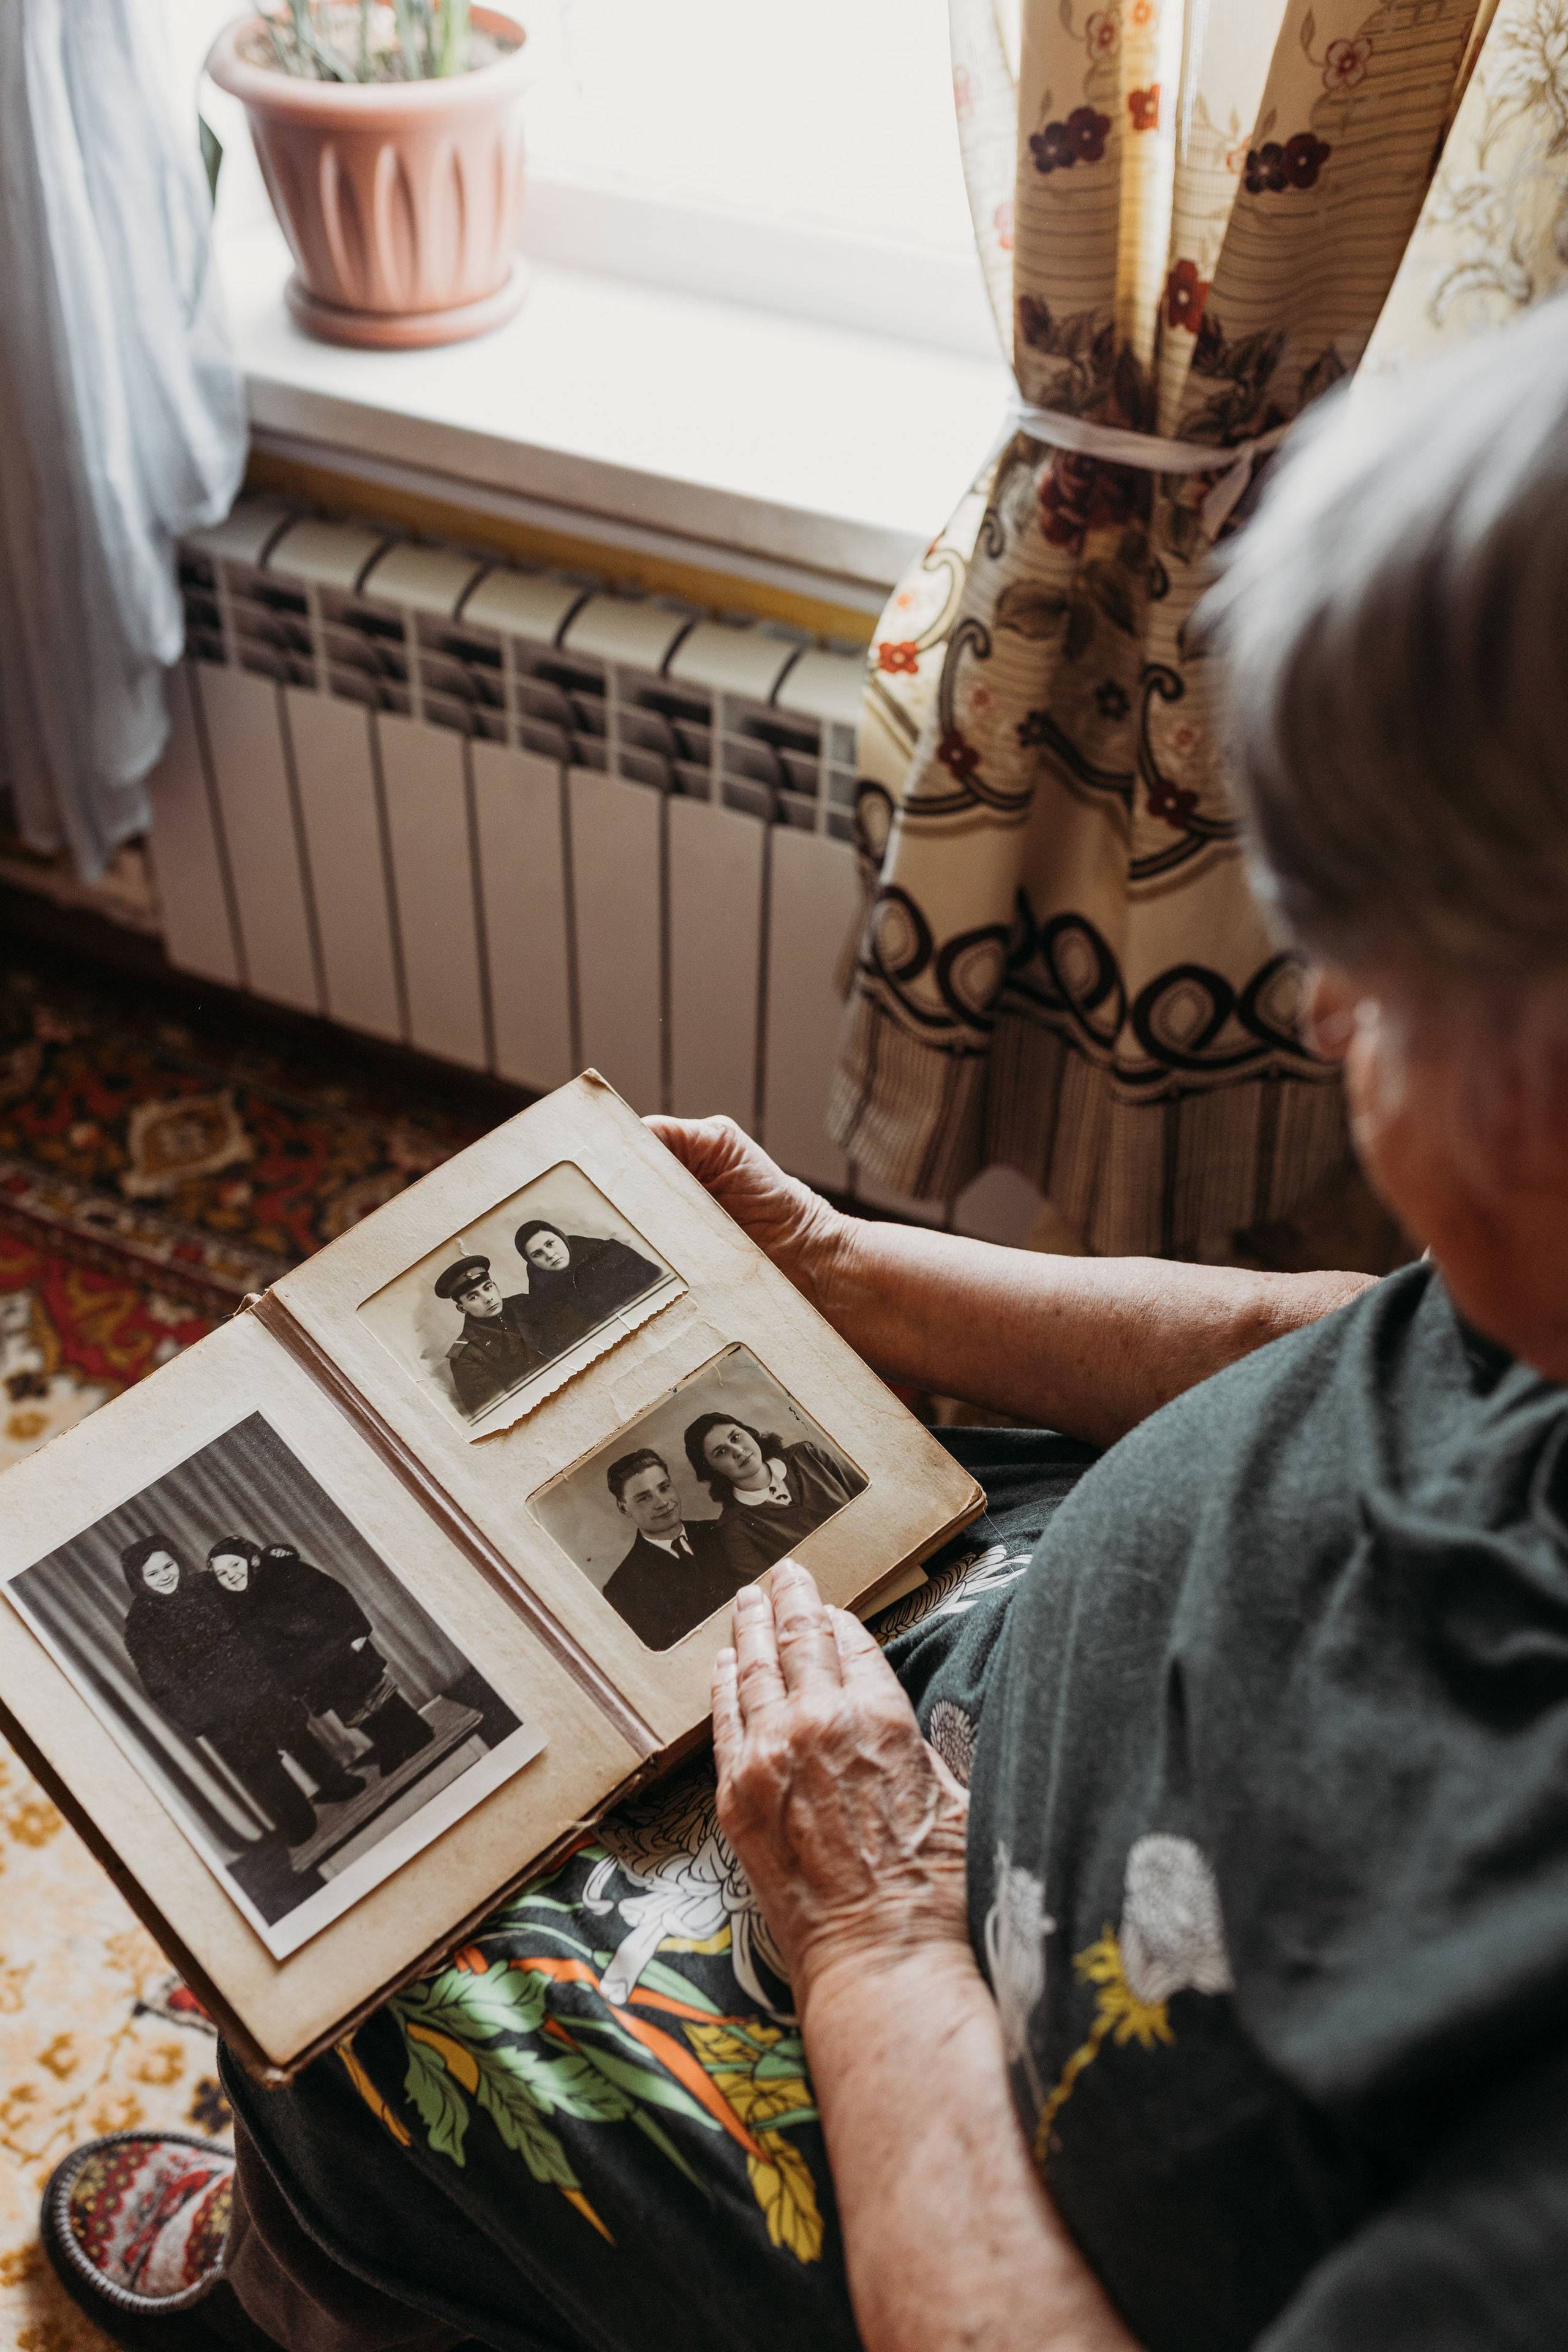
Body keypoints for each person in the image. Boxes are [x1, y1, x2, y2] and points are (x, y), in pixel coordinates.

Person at [49, 304, 1568, 2351]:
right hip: (992, 1669)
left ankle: (305, 2268)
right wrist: (845, 1275)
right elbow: (1334, 1338)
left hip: (942, 2082)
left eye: (1370, 976)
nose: (1316, 1011)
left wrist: (870, 1942)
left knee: (355, 2025)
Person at [117, 1537, 337, 1849]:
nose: (166, 1575)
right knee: (262, 1766)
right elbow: (160, 1684)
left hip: (258, 1680)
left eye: (169, 1565)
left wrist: (277, 1556)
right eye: (154, 1574)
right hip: (220, 1710)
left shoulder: (206, 1584)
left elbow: (253, 1586)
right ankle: (299, 1819)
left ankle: (336, 1784)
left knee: (299, 1735)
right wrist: (202, 1720)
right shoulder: (140, 1626)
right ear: (139, 1581)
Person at [208, 1539, 434, 1780]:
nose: (231, 1575)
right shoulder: (239, 1606)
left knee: (375, 1692)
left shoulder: (286, 1571)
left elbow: (335, 1594)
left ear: (252, 1559)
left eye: (234, 1565)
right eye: (222, 1573)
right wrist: (290, 1680)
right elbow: (264, 1650)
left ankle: (415, 1732)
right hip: (310, 1669)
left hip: (339, 1648)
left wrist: (355, 1633)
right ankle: (390, 1745)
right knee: (349, 1707)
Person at [682, 1412, 867, 1580]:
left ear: (748, 1432)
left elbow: (869, 1498)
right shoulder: (734, 1528)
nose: (737, 1451)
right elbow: (774, 1587)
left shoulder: (807, 1454)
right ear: (711, 1468)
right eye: (721, 1452)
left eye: (736, 1437)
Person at [599, 1447, 740, 1649]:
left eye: (664, 1488)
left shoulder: (721, 1530)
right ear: (624, 1508)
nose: (663, 1503)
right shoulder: (622, 1588)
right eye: (645, 1498)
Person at [513, 1218, 662, 1361]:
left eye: (550, 1244)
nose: (550, 1255)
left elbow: (660, 1289)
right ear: (531, 1262)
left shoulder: (610, 1253)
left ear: (562, 1237)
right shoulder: (540, 1301)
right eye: (538, 1254)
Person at [434, 1255, 544, 1419]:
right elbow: (500, 1416)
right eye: (473, 1297)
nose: (488, 1299)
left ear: (496, 1286)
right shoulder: (465, 1358)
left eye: (487, 1288)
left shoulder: (527, 1303)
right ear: (461, 1308)